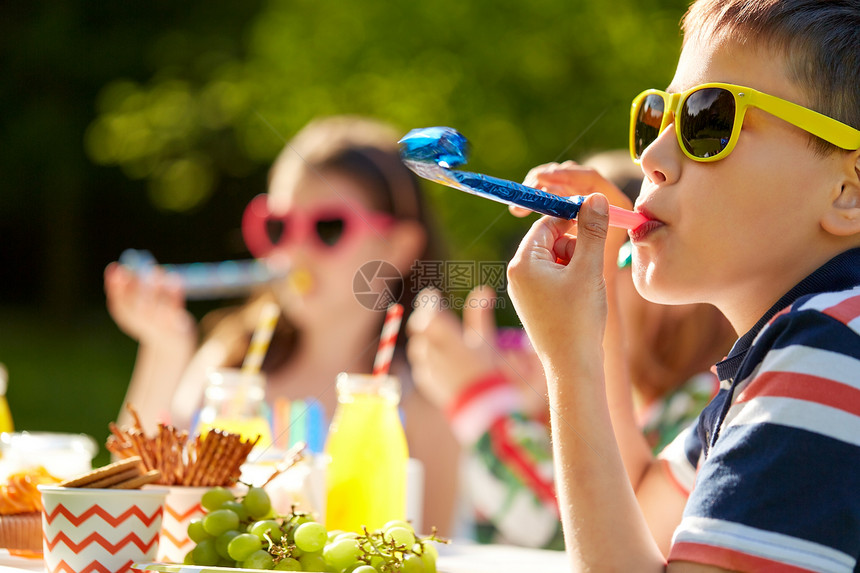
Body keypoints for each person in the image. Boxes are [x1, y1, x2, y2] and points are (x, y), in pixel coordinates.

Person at [506, 0, 860, 570]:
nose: (651, 157)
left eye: (708, 121)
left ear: (850, 191)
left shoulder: (828, 351)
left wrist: (568, 363)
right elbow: (645, 513)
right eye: (657, 117)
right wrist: (595, 314)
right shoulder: (810, 341)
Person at [104, 115, 461, 535]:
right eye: (278, 227)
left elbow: (433, 549)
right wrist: (164, 350)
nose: (293, 252)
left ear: (398, 246)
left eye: (328, 227)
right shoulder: (230, 359)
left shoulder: (419, 396)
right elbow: (125, 503)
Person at [406, 152, 734, 550]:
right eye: (570, 248)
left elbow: (584, 534)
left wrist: (481, 403)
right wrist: (529, 406)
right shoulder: (559, 399)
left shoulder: (703, 405)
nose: (577, 268)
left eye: (611, 252)